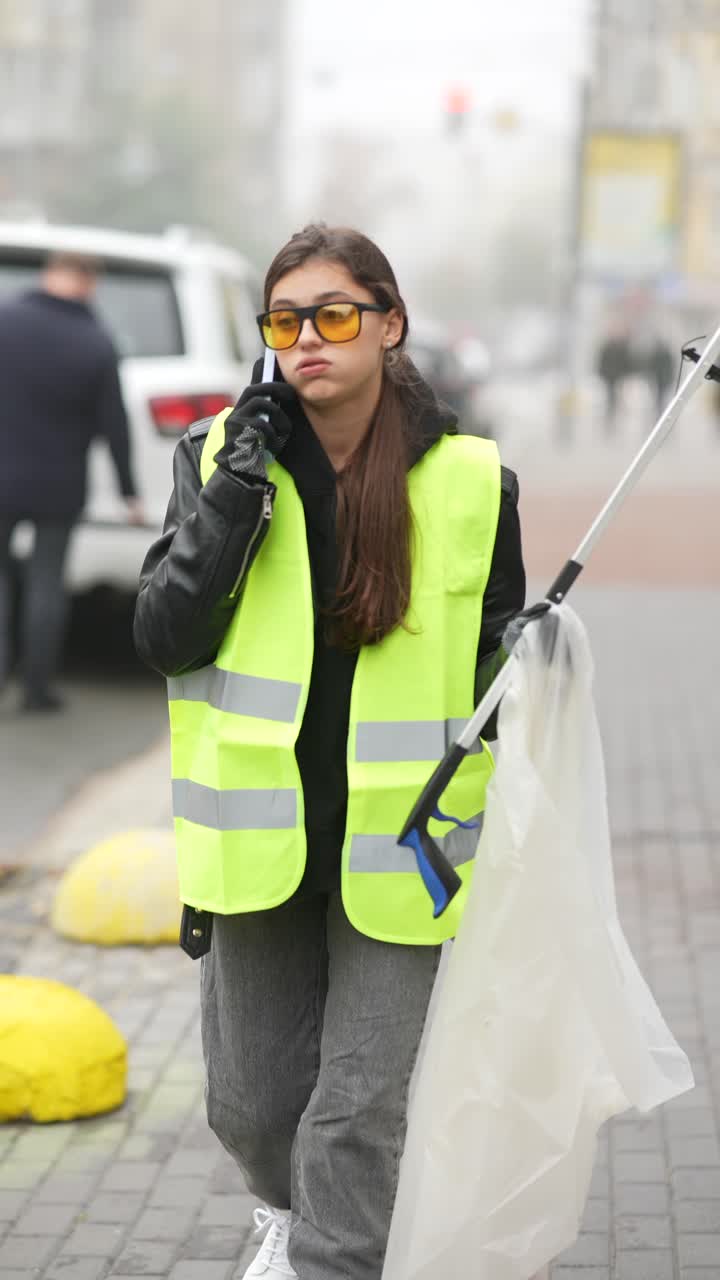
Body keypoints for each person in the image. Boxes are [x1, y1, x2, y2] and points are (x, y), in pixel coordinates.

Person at [134, 224, 536, 1280]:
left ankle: (333, 1252)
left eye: (335, 314)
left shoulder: (471, 481)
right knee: (256, 1106)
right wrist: (238, 494)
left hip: (405, 843)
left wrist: (538, 656)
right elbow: (163, 634)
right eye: (285, 320)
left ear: (388, 325)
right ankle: (289, 1208)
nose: (308, 337)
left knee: (357, 1114)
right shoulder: (222, 456)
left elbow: (497, 665)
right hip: (260, 836)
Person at [0, 251, 143, 711]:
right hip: (58, 484)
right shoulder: (96, 341)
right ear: (89, 283)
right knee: (46, 582)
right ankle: (37, 689)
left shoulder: (6, 320)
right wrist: (128, 491)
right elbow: (114, 425)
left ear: (50, 275)